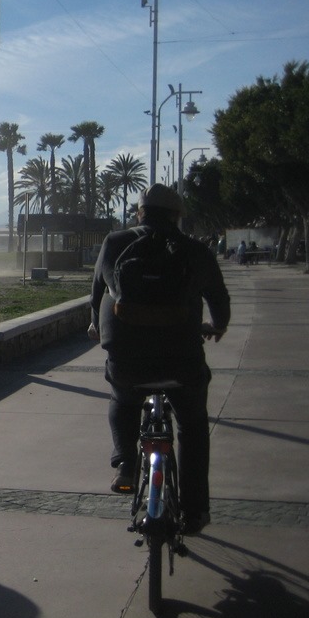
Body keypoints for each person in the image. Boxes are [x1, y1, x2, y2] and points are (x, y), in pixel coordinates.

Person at [87, 184, 230, 534]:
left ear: (140, 212)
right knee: (192, 425)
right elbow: (219, 299)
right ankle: (194, 511)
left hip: (128, 361)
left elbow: (97, 292)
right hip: (182, 362)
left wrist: (96, 325)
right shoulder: (195, 250)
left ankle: (125, 464)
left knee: (122, 397)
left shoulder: (116, 243)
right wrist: (217, 326)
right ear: (177, 216)